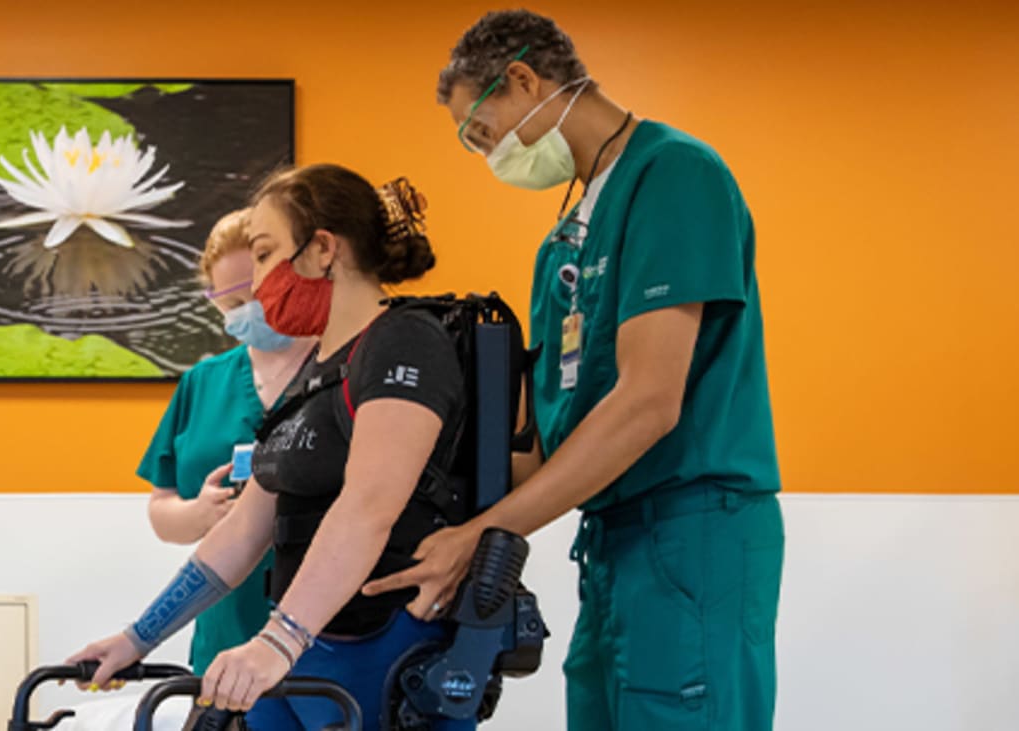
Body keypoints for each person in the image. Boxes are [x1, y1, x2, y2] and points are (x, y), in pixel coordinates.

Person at [362, 10, 785, 731]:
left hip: (693, 531)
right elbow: (545, 441)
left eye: (481, 134)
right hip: (611, 540)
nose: (485, 156)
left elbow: (649, 402)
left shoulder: (673, 174)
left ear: (522, 80)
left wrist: (484, 532)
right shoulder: (562, 238)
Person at [70, 164, 474, 731]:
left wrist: (278, 641)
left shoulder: (403, 341)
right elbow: (242, 530)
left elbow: (368, 509)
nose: (257, 286)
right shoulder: (316, 373)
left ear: (323, 250)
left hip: (377, 651)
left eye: (264, 254)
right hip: (304, 657)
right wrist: (137, 637)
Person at [137, 208, 315, 676]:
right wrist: (200, 514)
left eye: (256, 295)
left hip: (322, 632)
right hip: (224, 632)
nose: (248, 313)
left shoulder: (343, 370)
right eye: (231, 305)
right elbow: (161, 510)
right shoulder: (203, 382)